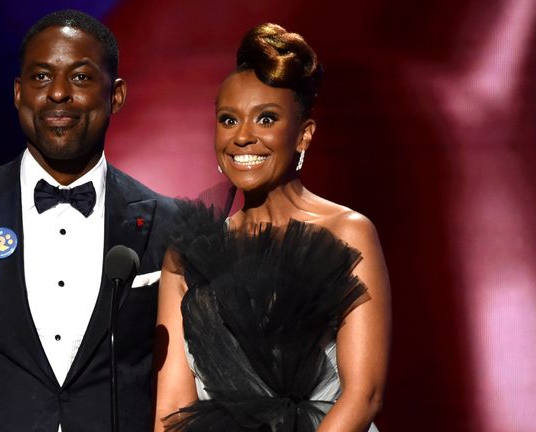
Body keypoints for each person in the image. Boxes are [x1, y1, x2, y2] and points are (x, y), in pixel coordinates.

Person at [0, 9, 177, 432]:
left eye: (79, 77)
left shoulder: (170, 224)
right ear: (19, 93)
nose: (58, 93)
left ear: (115, 95)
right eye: (41, 77)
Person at [154, 23, 391, 432]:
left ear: (304, 135)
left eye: (266, 119)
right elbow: (172, 408)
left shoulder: (346, 233)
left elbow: (364, 395)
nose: (243, 137)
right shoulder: (188, 255)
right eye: (228, 120)